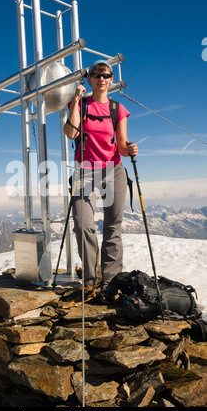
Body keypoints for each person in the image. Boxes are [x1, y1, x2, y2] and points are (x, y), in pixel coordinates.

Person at [63, 60, 138, 302]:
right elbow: (71, 133)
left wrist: (130, 148)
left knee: (112, 229)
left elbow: (122, 146)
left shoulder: (118, 109)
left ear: (111, 79)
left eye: (106, 75)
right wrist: (75, 100)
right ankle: (90, 280)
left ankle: (110, 283)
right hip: (85, 171)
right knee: (82, 224)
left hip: (114, 170)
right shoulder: (80, 104)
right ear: (90, 79)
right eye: (97, 75)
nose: (102, 79)